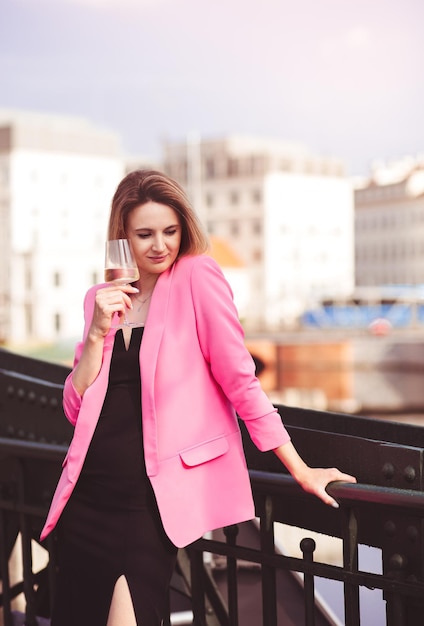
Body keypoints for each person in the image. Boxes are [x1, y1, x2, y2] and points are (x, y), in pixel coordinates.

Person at [41, 169, 356, 626]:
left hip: (149, 500)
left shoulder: (197, 276)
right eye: (144, 234)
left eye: (169, 231)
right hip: (89, 493)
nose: (159, 245)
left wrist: (300, 468)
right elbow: (74, 408)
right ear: (122, 236)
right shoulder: (101, 298)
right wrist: (94, 336)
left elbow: (240, 380)